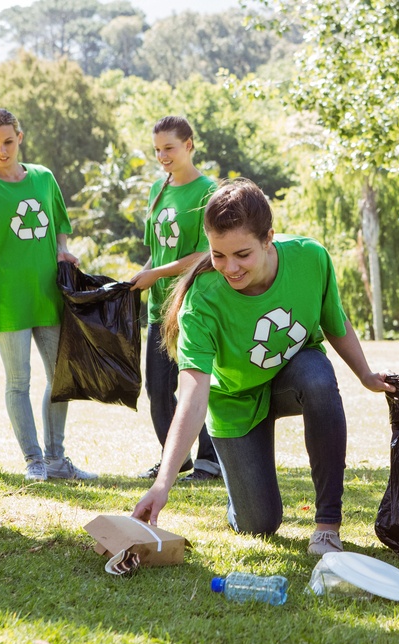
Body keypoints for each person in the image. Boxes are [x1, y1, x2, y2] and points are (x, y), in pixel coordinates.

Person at [132, 178, 393, 555]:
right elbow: (191, 395)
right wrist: (163, 483)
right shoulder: (202, 300)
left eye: (242, 254)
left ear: (268, 237)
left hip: (291, 378)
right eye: (218, 255)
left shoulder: (310, 257)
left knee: (317, 375)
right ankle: (241, 497)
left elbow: (335, 321)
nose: (229, 268)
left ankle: (327, 525)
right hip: (235, 401)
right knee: (259, 524)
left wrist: (366, 375)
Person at [0, 108, 96, 482]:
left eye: (7, 141)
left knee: (60, 377)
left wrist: (61, 250)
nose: (1, 150)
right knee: (18, 380)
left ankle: (57, 459)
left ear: (20, 137)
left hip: (48, 291)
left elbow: (59, 224)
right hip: (7, 294)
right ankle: (33, 460)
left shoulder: (43, 178)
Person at [130, 116, 222, 483]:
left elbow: (204, 255)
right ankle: (176, 458)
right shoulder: (158, 189)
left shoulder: (208, 192)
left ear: (189, 145)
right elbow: (159, 249)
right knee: (156, 389)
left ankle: (209, 461)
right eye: (157, 150)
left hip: (193, 306)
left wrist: (155, 274)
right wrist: (143, 273)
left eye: (169, 148)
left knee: (196, 384)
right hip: (158, 308)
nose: (162, 156)